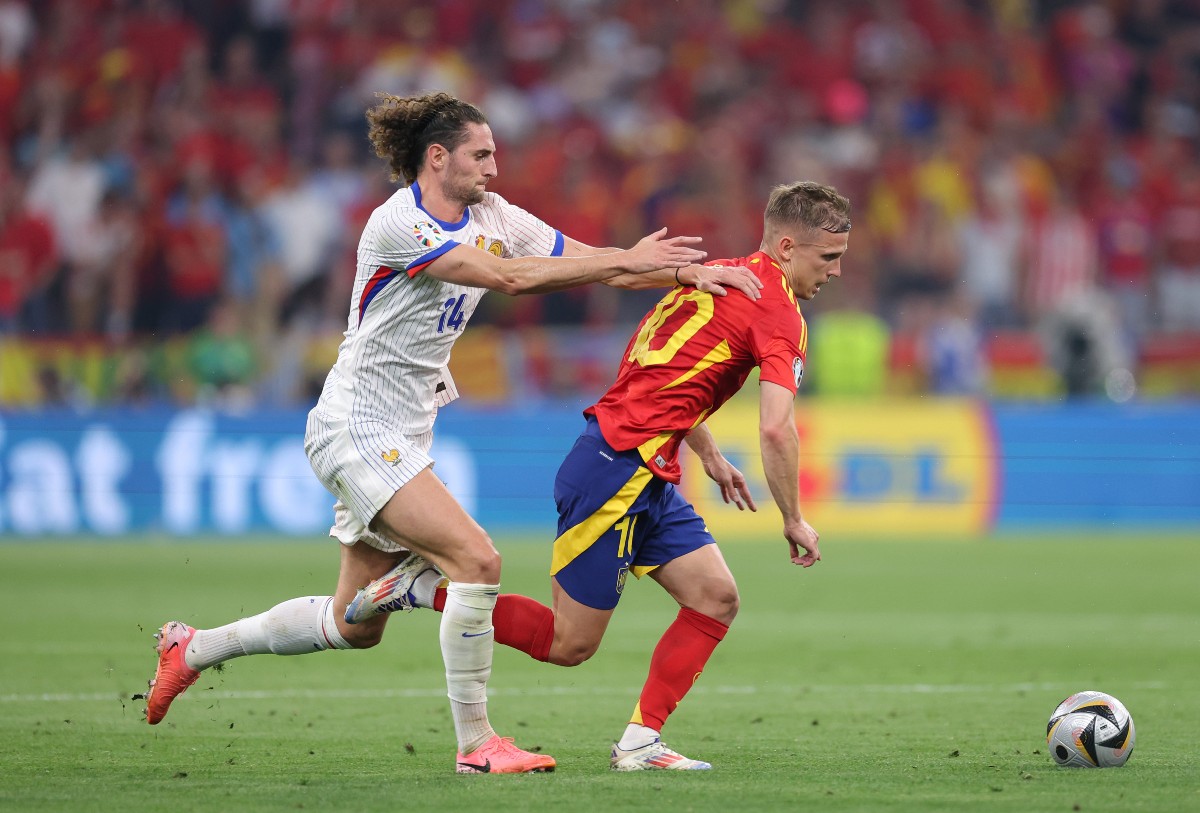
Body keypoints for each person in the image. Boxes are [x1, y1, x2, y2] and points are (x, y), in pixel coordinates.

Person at [143, 91, 762, 775]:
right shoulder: (398, 223)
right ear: (438, 158)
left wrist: (677, 270)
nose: (494, 167)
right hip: (357, 425)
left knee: (353, 624)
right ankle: (476, 745)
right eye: (481, 154)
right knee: (477, 561)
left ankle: (193, 647)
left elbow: (590, 260)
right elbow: (509, 278)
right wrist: (636, 261)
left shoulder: (495, 214)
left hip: (405, 432)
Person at [347, 181, 851, 770]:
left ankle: (640, 742)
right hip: (618, 471)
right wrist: (793, 517)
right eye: (829, 256)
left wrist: (708, 454)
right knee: (569, 644)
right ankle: (421, 589)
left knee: (715, 598)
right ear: (787, 247)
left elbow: (661, 374)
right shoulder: (778, 312)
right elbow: (776, 429)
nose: (836, 271)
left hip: (641, 468)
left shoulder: (717, 275)